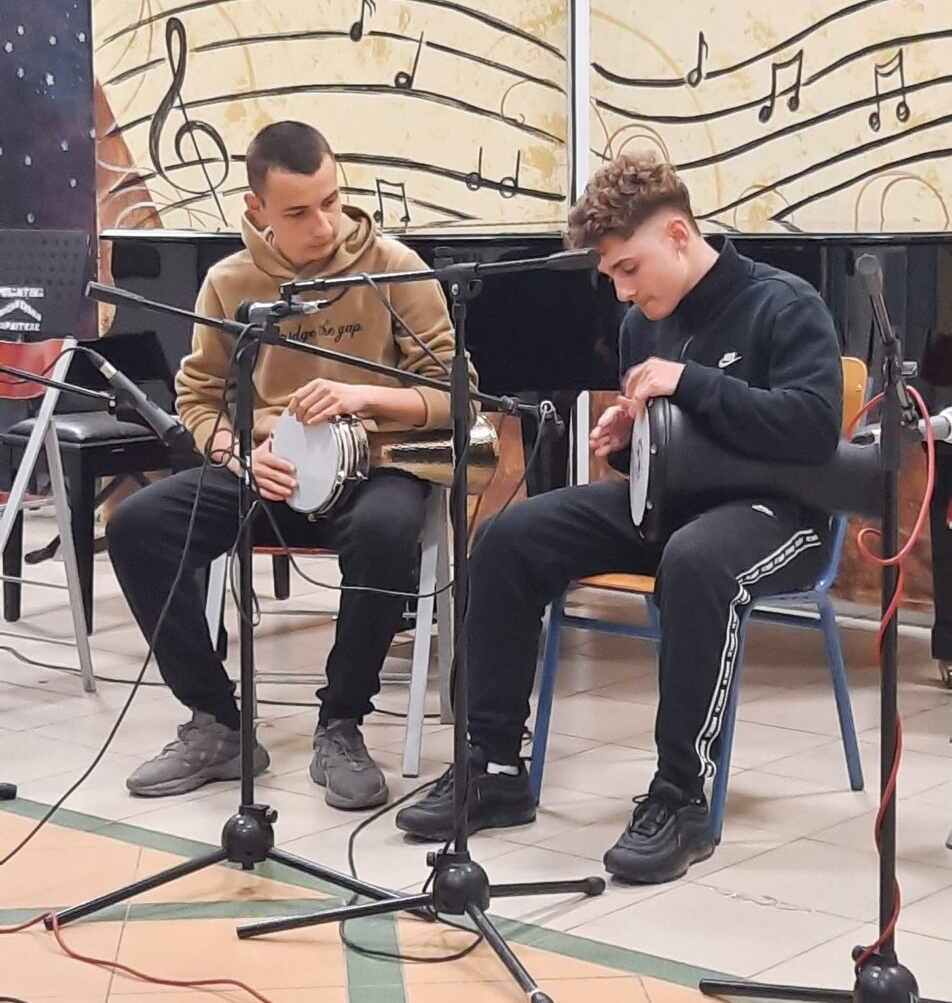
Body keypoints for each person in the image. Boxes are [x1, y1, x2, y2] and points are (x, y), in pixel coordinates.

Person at [396, 154, 843, 884]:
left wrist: (691, 383)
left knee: (695, 563)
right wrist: (635, 443)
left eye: (629, 269)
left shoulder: (784, 305)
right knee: (510, 537)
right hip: (672, 507)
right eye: (611, 277)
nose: (624, 291)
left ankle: (680, 799)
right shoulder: (641, 326)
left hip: (780, 514)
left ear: (678, 235)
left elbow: (812, 431)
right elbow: (677, 451)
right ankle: (494, 767)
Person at [108, 120, 472, 810]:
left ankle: (342, 724)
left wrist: (362, 395)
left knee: (387, 528)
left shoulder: (395, 267)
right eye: (299, 212)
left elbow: (458, 396)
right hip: (268, 471)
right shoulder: (230, 283)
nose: (324, 224)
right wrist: (238, 457)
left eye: (331, 201)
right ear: (257, 209)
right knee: (137, 526)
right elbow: (200, 398)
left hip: (375, 466)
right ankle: (217, 724)